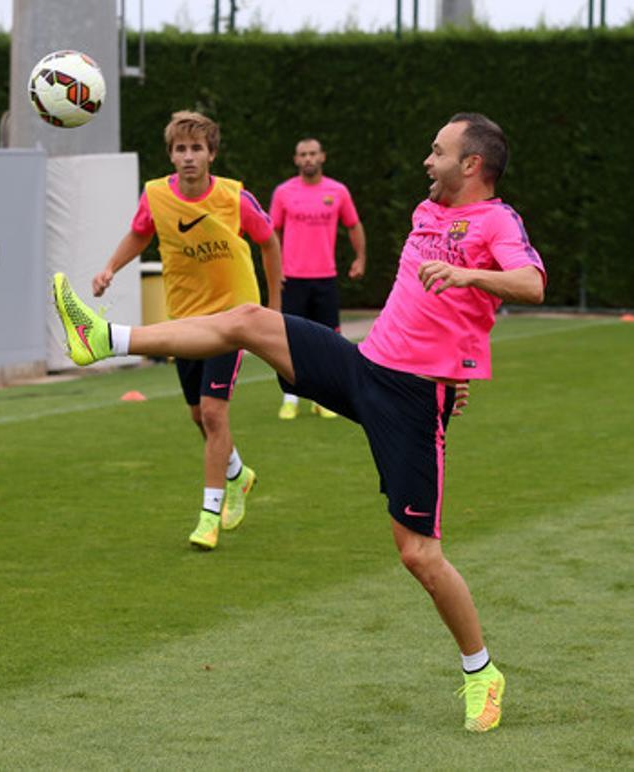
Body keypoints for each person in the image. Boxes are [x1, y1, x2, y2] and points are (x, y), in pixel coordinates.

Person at [53, 112, 545, 732]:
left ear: (472, 165)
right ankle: (105, 337)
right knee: (248, 320)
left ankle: (482, 671)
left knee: (418, 554)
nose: (427, 159)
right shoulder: (428, 212)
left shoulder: (496, 221)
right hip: (365, 367)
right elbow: (431, 313)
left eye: (438, 151)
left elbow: (530, 282)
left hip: (413, 403)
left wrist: (466, 284)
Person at [90, 110, 282, 551]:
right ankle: (238, 474)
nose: (189, 156)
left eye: (197, 148)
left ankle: (209, 516)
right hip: (185, 321)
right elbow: (140, 234)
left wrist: (273, 307)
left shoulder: (235, 198)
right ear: (172, 156)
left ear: (211, 154)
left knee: (215, 413)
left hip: (233, 320)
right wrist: (109, 269)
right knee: (199, 415)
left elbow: (268, 241)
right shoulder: (156, 196)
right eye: (181, 149)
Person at [270, 138, 366, 419]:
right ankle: (290, 398)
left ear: (322, 156)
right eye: (303, 154)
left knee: (329, 341)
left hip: (325, 278)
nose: (308, 158)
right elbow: (270, 233)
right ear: (296, 160)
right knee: (288, 342)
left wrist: (360, 258)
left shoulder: (337, 191)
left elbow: (353, 225)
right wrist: (275, 271)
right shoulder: (284, 192)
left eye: (313, 153)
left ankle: (323, 400)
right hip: (292, 279)